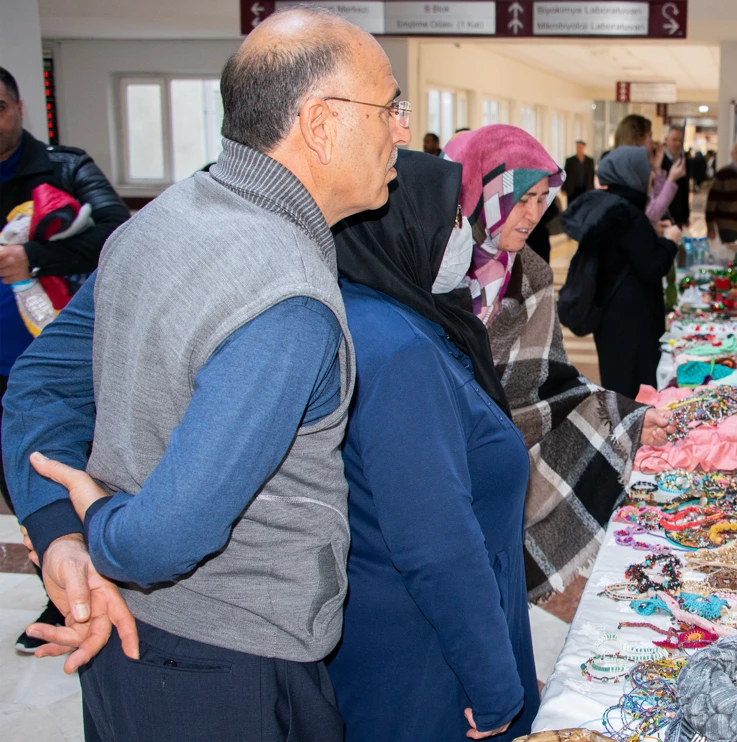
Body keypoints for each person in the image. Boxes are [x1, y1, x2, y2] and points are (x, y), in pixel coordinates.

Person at [5, 8, 412, 738]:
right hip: (228, 669)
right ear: (322, 124)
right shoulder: (284, 295)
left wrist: (60, 536)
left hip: (124, 640)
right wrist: (98, 527)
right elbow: (160, 540)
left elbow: (39, 385)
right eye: (390, 108)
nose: (402, 132)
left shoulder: (164, 219)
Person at [328, 148, 537, 741]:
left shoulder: (379, 312)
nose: (464, 235)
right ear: (403, 227)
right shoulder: (401, 353)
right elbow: (437, 543)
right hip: (431, 659)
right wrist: (493, 684)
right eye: (451, 219)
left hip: (405, 631)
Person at [444, 126, 676, 600]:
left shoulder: (530, 274)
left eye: (540, 200)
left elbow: (550, 382)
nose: (533, 215)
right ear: (482, 193)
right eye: (521, 200)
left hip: (496, 473)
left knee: (492, 599)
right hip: (434, 468)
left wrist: (627, 417)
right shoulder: (431, 270)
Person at [0, 65, 131, 654]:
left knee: (50, 474)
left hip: (47, 360)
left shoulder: (64, 167)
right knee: (16, 482)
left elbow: (117, 232)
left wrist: (33, 256)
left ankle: (69, 591)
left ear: (19, 107)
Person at [563, 146, 679, 398]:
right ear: (632, 173)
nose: (650, 175)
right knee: (636, 393)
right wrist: (670, 241)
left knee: (618, 387)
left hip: (611, 318)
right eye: (646, 170)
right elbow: (652, 267)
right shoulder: (627, 214)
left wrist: (654, 237)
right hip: (633, 323)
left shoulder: (608, 206)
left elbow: (628, 253)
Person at [613, 114, 679, 224]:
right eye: (650, 137)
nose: (653, 144)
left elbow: (654, 205)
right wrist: (671, 180)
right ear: (639, 140)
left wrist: (657, 170)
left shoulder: (627, 165)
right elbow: (651, 214)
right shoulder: (629, 170)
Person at [661, 125, 691, 227]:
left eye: (680, 141)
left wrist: (685, 216)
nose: (678, 144)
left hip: (678, 218)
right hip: (663, 217)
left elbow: (684, 189)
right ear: (666, 140)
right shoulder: (659, 162)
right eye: (674, 140)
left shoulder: (683, 161)